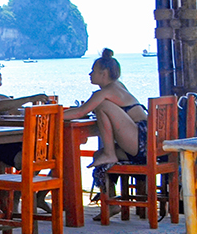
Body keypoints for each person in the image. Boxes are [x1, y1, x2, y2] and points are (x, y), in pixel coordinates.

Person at [63, 49, 149, 177]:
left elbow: (80, 112)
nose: (90, 74)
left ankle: (110, 154)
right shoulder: (119, 85)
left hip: (141, 143)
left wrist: (51, 115)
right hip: (147, 142)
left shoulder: (104, 93)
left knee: (102, 106)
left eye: (93, 71)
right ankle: (109, 194)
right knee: (97, 155)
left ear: (103, 74)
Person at [0, 56, 49, 167]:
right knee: (34, 158)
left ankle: (28, 181)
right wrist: (29, 99)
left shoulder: (1, 97)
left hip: (9, 139)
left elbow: (18, 110)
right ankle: (25, 181)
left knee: (50, 150)